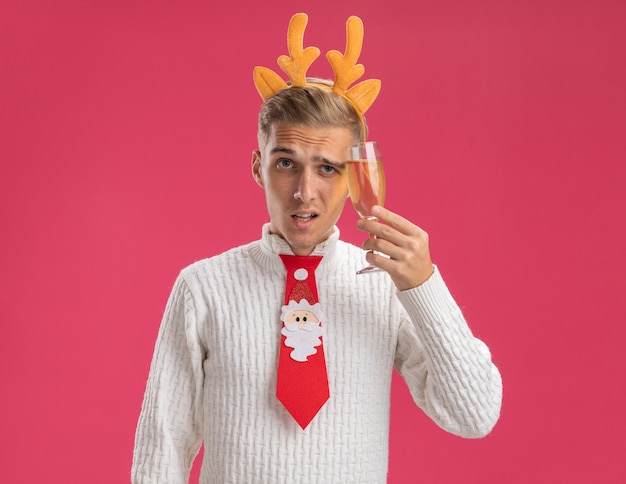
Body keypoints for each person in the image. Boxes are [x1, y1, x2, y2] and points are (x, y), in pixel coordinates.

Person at [131, 13, 502, 484]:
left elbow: (474, 415)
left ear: (355, 177)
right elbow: (162, 445)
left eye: (327, 168)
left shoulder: (388, 289)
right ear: (257, 167)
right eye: (286, 163)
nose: (305, 191)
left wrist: (424, 286)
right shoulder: (202, 287)